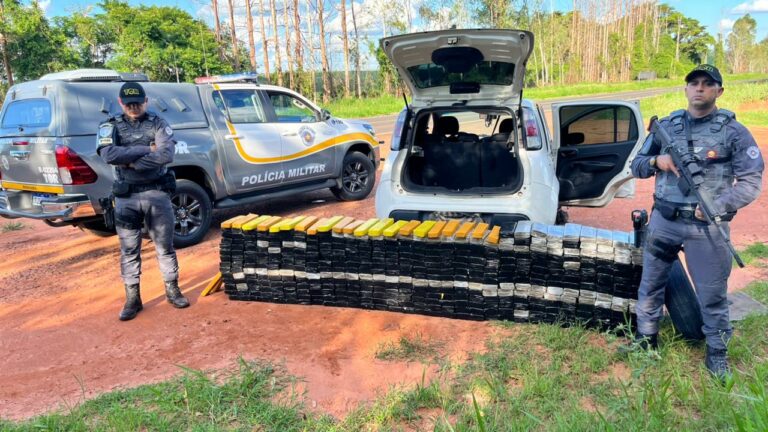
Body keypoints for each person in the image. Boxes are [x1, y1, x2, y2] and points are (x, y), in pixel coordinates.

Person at [627, 64, 764, 379]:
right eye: (694, 83)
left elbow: (751, 180)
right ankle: (646, 339)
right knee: (650, 285)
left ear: (719, 91)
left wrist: (719, 205)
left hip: (707, 227)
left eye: (707, 83)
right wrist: (657, 161)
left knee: (712, 293)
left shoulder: (733, 131)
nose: (699, 88)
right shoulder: (667, 126)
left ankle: (717, 353)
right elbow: (635, 165)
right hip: (664, 221)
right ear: (686, 89)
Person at [97, 82, 190, 321]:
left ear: (146, 100)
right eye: (128, 103)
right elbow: (108, 155)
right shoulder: (110, 125)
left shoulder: (158, 123)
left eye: (138, 102)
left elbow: (166, 154)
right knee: (129, 251)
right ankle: (132, 298)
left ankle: (172, 290)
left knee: (165, 248)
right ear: (120, 103)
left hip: (157, 195)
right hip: (126, 197)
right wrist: (146, 149)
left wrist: (131, 162)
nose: (134, 107)